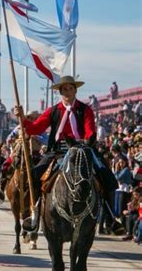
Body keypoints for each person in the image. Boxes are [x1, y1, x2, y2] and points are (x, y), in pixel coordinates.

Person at [14, 75, 118, 214]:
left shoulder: (85, 109)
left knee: (106, 175)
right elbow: (35, 128)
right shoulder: (53, 110)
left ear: (75, 91)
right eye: (64, 90)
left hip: (82, 148)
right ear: (60, 92)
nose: (67, 92)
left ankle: (110, 216)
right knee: (34, 175)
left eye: (70, 89)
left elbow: (89, 130)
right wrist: (22, 118)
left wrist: (87, 141)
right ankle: (34, 212)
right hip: (57, 149)